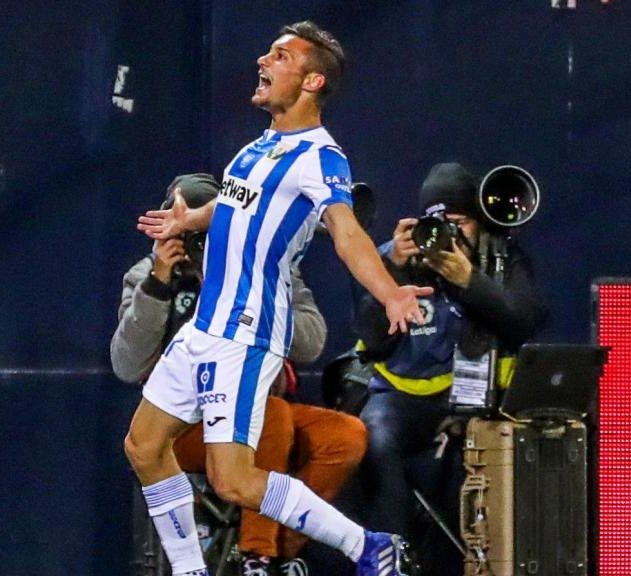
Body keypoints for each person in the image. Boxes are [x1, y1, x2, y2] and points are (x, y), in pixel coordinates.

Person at [124, 21, 431, 576]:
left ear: (312, 81)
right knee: (144, 447)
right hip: (203, 331)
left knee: (234, 479)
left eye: (280, 55)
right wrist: (192, 216)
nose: (263, 60)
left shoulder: (321, 158)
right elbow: (236, 204)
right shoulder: (257, 148)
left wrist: (389, 292)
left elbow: (346, 234)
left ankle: (368, 546)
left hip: (244, 334)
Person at [112, 173, 369, 575]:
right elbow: (127, 365)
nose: (198, 243)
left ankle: (282, 551)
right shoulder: (147, 275)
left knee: (344, 437)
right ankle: (257, 556)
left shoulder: (262, 267)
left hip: (255, 406)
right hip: (186, 427)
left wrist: (253, 298)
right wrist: (161, 284)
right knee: (272, 420)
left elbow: (312, 341)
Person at [355, 162, 547, 574]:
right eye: (438, 223)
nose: (449, 234)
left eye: (459, 223)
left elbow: (523, 323)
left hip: (477, 397)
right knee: (376, 436)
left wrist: (469, 280)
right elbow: (372, 340)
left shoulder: (500, 260)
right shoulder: (391, 258)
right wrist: (393, 274)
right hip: (402, 398)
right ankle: (391, 560)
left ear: (480, 222)